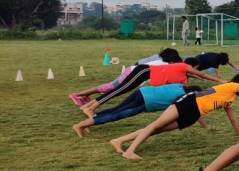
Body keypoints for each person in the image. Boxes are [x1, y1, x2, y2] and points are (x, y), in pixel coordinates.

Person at [110, 74, 239, 160]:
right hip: (189, 102)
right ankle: (130, 151)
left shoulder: (229, 99)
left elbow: (232, 118)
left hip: (194, 114)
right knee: (155, 125)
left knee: (157, 130)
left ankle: (119, 141)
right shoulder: (231, 86)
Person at [79, 58, 225, 117]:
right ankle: (91, 107)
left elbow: (198, 76)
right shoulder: (184, 65)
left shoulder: (183, 74)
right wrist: (220, 80)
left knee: (120, 90)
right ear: (193, 66)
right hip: (144, 71)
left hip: (145, 74)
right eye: (196, 69)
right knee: (119, 90)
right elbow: (203, 76)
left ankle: (90, 105)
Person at [71, 84, 202, 137]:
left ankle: (87, 122)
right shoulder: (183, 97)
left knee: (116, 110)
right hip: (146, 102)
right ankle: (80, 125)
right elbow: (188, 110)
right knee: (117, 115)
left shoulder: (179, 85)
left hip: (142, 92)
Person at [68, 48, 183, 106]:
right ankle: (77, 95)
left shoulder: (157, 57)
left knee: (111, 87)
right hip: (132, 72)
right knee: (111, 87)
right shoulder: (165, 64)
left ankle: (84, 95)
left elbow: (139, 62)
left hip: (132, 69)